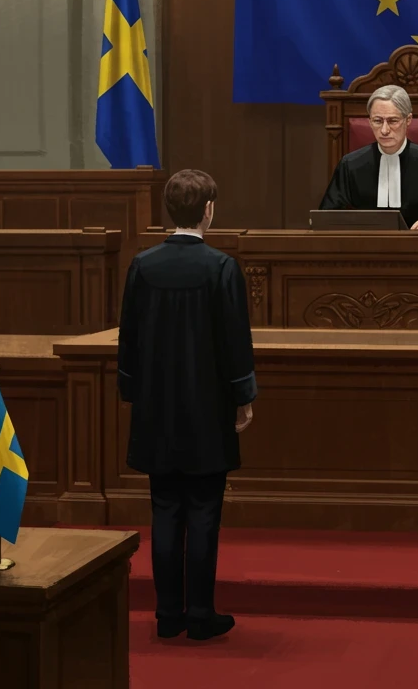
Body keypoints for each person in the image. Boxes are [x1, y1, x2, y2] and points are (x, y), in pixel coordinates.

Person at [117, 168, 257, 641]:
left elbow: (129, 338)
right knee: (203, 511)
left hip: (156, 408)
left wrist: (131, 392)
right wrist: (243, 396)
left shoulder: (143, 265)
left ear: (169, 210)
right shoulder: (221, 268)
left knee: (163, 510)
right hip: (206, 410)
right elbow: (235, 342)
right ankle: (199, 613)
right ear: (209, 210)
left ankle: (167, 614)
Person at [317, 84, 418, 229]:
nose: (384, 130)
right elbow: (327, 217)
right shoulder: (350, 164)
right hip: (365, 245)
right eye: (378, 121)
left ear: (408, 120)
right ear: (370, 122)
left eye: (392, 121)